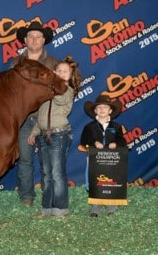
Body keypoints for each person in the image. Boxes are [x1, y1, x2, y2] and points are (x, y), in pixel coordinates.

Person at [12, 21, 59, 206]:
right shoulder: (17, 63)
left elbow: (64, 86)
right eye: (30, 36)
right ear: (25, 40)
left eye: (38, 36)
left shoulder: (54, 63)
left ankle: (51, 196)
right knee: (24, 160)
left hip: (47, 118)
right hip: (25, 119)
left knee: (49, 162)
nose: (34, 39)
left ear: (43, 40)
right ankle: (26, 197)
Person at [28, 56, 82, 218]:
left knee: (57, 173)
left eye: (65, 72)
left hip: (59, 134)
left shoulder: (68, 90)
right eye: (58, 70)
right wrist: (34, 132)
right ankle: (47, 208)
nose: (61, 73)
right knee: (46, 173)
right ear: (53, 72)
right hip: (44, 135)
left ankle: (60, 209)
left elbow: (59, 100)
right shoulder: (48, 91)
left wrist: (51, 86)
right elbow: (42, 116)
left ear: (70, 76)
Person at [80, 94, 126, 217]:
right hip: (94, 159)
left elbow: (122, 141)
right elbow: (83, 140)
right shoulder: (89, 127)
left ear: (110, 110)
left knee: (111, 180)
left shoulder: (116, 127)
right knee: (94, 180)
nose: (102, 110)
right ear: (95, 110)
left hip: (111, 160)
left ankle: (112, 206)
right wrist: (93, 142)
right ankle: (96, 206)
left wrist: (115, 144)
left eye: (105, 107)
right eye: (99, 107)